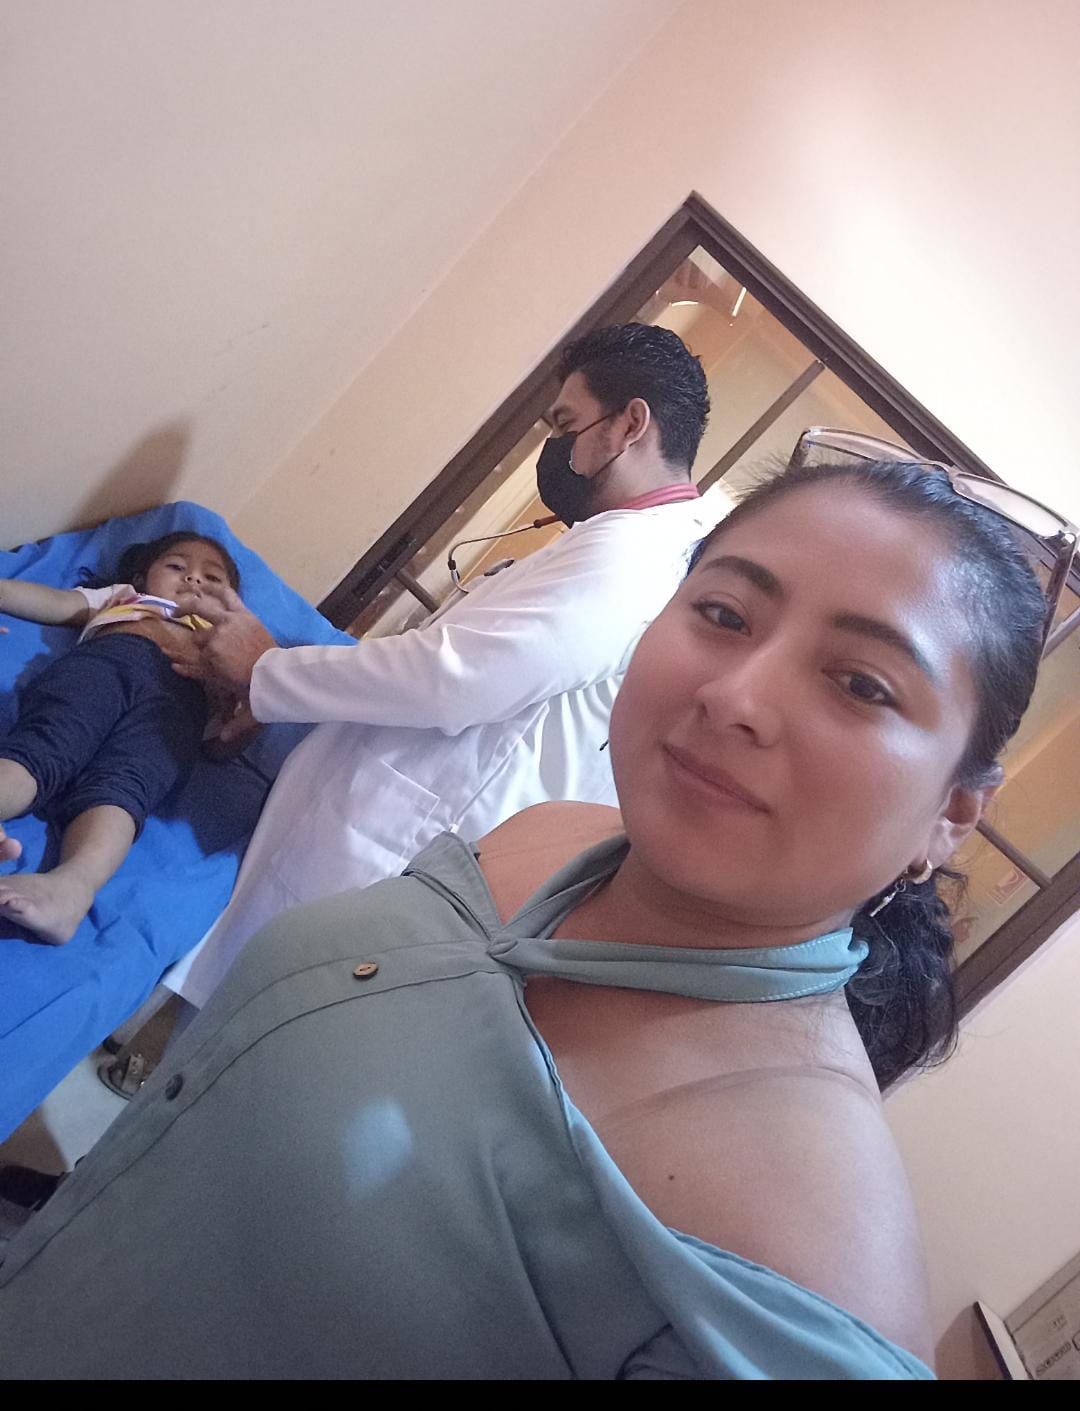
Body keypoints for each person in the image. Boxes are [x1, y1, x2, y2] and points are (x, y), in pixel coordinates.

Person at [0, 448, 1050, 1379]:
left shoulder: (798, 1279)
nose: (736, 695)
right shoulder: (544, 835)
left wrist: (270, 671)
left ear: (951, 814)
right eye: (726, 614)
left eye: (861, 683)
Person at [166, 323, 728, 1009]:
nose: (555, 448)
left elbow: (456, 677)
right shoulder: (632, 546)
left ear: (630, 425)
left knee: (259, 1025)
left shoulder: (629, 559)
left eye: (566, 425)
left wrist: (267, 672)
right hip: (399, 842)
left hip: (396, 847)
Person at [0, 533, 248, 944]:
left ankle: (71, 888)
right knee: (46, 745)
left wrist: (251, 715)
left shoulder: (227, 647)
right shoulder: (126, 599)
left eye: (212, 578)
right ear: (141, 577)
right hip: (106, 668)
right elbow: (55, 602)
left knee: (121, 791)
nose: (193, 580)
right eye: (177, 566)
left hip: (177, 711)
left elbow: (222, 745)